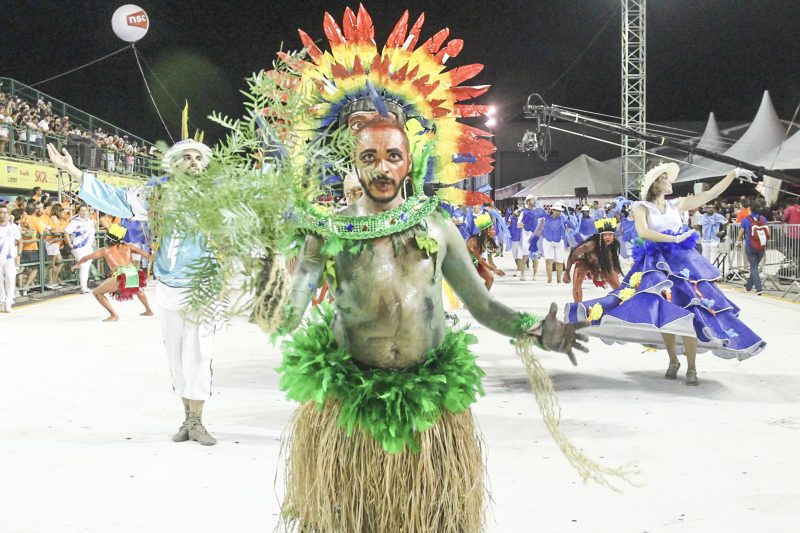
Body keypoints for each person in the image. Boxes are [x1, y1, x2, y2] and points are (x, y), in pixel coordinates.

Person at [47, 136, 219, 447]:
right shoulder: (156, 193)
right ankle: (188, 419)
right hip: (168, 284)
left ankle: (198, 420)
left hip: (203, 284)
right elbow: (115, 199)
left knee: (200, 352)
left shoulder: (219, 194)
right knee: (176, 355)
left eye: (198, 157)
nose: (194, 161)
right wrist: (74, 172)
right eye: (187, 156)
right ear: (175, 162)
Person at [565, 162, 766, 386]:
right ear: (655, 184)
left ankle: (691, 367)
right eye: (665, 178)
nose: (670, 181)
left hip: (683, 265)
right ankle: (673, 360)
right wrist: (673, 238)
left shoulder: (677, 204)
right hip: (656, 266)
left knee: (691, 310)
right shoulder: (641, 207)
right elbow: (643, 232)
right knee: (666, 314)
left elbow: (710, 193)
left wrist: (733, 174)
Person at [72, 223, 153, 321]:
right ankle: (149, 310)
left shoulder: (105, 250)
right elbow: (147, 255)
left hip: (122, 273)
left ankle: (114, 315)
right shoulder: (128, 246)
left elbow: (86, 257)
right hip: (133, 272)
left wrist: (77, 265)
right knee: (138, 290)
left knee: (97, 292)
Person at [563, 217, 623, 302]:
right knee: (577, 283)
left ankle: (622, 302)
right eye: (605, 235)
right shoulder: (590, 245)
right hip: (585, 261)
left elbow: (612, 260)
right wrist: (567, 272)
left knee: (617, 285)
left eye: (610, 234)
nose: (607, 237)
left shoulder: (614, 245)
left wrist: (614, 271)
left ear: (614, 236)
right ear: (600, 236)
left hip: (601, 264)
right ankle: (577, 306)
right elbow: (573, 253)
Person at [737, 198, 770, 295]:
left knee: (753, 267)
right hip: (761, 246)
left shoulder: (745, 220)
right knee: (755, 266)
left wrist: (737, 242)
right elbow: (768, 232)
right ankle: (748, 286)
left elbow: (740, 233)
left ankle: (759, 288)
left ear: (750, 209)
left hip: (750, 246)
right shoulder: (763, 219)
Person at [534, 201, 572, 284]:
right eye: (557, 210)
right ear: (553, 210)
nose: (558, 212)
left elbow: (571, 226)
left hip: (559, 241)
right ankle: (549, 280)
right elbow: (539, 228)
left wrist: (569, 227)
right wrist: (535, 238)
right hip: (547, 241)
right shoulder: (545, 218)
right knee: (548, 261)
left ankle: (559, 281)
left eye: (560, 211)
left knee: (559, 261)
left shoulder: (563, 218)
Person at [466, 212, 505, 290]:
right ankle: (475, 299)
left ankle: (482, 299)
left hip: (477, 263)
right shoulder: (473, 242)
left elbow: (480, 260)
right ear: (486, 231)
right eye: (492, 229)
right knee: (476, 284)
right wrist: (494, 269)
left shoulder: (488, 239)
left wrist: (495, 250)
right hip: (467, 265)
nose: (494, 231)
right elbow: (480, 260)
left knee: (490, 279)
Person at [64, 205, 96, 293]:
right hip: (79, 247)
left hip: (89, 247)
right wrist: (70, 244)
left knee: (87, 266)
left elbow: (93, 233)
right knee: (84, 265)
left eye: (85, 210)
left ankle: (84, 286)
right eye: (82, 210)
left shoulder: (91, 221)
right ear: (78, 212)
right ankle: (83, 287)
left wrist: (94, 240)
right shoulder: (75, 222)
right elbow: (66, 232)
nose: (84, 212)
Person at [0, 205, 22, 312]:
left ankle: (8, 303)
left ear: (9, 215)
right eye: (1, 212)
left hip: (10, 258)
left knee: (10, 280)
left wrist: (19, 255)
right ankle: (2, 302)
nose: (4, 215)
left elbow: (19, 241)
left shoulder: (13, 227)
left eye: (6, 212)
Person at [518, 194, 545, 280]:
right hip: (526, 235)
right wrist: (524, 224)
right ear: (528, 202)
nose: (534, 201)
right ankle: (522, 274)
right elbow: (518, 224)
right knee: (525, 255)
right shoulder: (524, 212)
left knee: (535, 256)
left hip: (536, 236)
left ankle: (535, 275)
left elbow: (545, 221)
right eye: (532, 200)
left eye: (534, 200)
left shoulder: (540, 211)